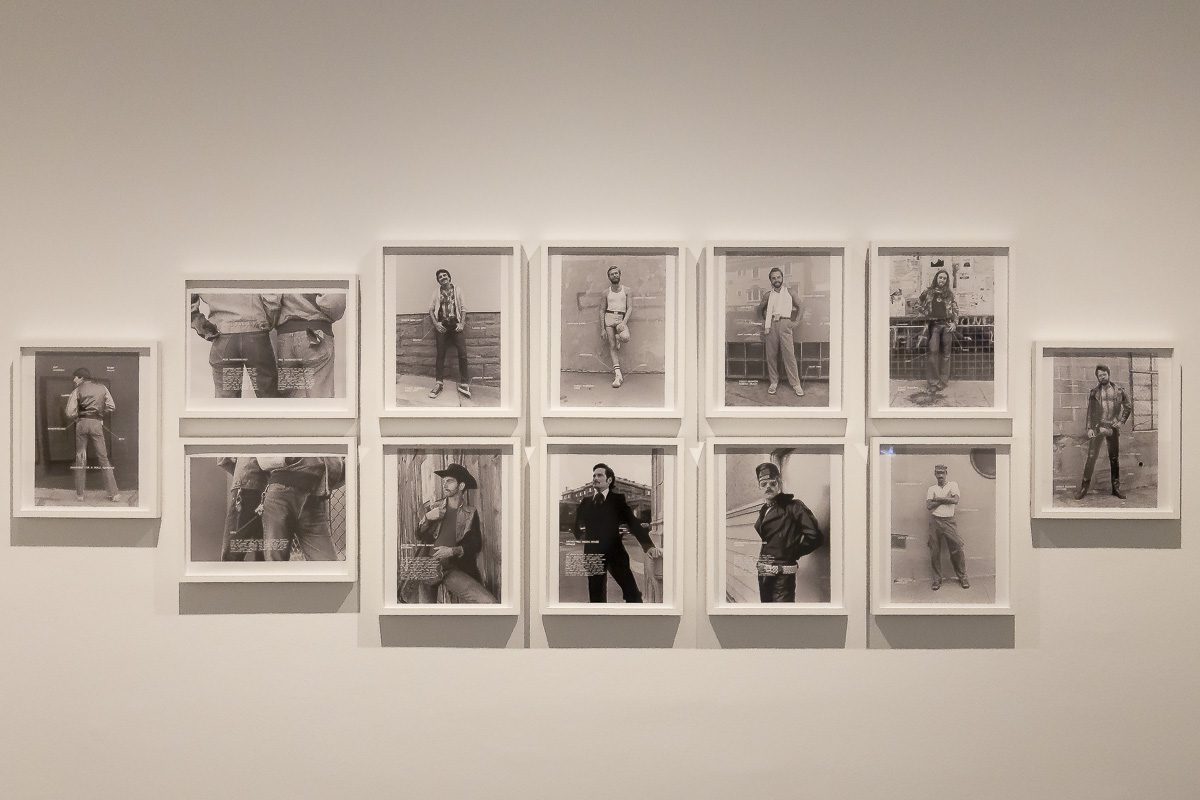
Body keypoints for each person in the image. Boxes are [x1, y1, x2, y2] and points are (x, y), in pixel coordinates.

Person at [406, 463, 497, 604]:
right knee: (426, 612)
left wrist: (452, 551)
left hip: (451, 568)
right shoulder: (434, 507)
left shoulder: (470, 513)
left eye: (449, 481)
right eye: (444, 481)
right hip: (427, 566)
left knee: (489, 602)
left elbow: (475, 543)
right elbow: (419, 535)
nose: (445, 484)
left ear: (461, 486)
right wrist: (428, 517)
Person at [571, 463, 662, 603]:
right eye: (594, 475)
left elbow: (632, 523)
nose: (595, 478)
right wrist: (584, 537)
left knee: (633, 595)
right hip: (593, 555)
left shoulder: (618, 500)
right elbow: (575, 525)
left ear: (609, 480)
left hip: (616, 554)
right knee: (596, 598)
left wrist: (648, 546)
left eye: (599, 475)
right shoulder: (586, 502)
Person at [751, 462, 823, 602]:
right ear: (759, 486)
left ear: (779, 483)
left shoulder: (793, 506)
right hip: (764, 574)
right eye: (763, 484)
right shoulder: (764, 510)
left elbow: (815, 536)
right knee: (765, 611)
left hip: (782, 577)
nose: (768, 487)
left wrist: (791, 552)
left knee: (781, 613)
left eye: (772, 483)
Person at [190, 293, 282, 398]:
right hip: (256, 335)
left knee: (226, 401)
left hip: (223, 336)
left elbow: (187, 300)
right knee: (268, 396)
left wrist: (203, 327)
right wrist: (266, 321)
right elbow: (272, 298)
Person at [255, 456, 344, 561]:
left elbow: (337, 469)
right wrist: (291, 457)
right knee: (276, 561)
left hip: (314, 501)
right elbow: (263, 461)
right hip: (281, 496)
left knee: (328, 562)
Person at [1074, 363, 1132, 500]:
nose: (1102, 377)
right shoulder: (1094, 392)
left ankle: (1116, 489)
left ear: (1108, 374)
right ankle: (1084, 489)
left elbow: (1128, 406)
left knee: (1114, 458)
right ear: (1097, 377)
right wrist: (1089, 428)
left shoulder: (1119, 391)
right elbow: (1090, 411)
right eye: (1100, 375)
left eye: (1104, 374)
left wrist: (1121, 421)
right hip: (1097, 427)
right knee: (1091, 457)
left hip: (1112, 427)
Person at [274, 293, 346, 398]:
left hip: (285, 338)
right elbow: (335, 303)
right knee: (320, 397)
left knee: (290, 398)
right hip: (315, 332)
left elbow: (271, 302)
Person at [65, 368, 121, 502]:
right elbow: (111, 406)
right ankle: (114, 493)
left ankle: (80, 494)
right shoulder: (102, 388)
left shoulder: (76, 391)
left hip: (81, 424)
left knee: (81, 458)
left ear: (81, 378)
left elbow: (69, 412)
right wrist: (99, 414)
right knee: (103, 458)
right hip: (96, 423)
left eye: (75, 377)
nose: (74, 380)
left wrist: (78, 417)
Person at [756, 266, 805, 397]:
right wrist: (763, 322)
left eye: (778, 277)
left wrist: (796, 322)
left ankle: (796, 384)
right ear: (770, 280)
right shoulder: (768, 295)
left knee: (789, 355)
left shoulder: (790, 292)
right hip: (771, 325)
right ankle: (773, 382)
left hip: (785, 323)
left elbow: (801, 306)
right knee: (771, 355)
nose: (776, 280)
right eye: (773, 278)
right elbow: (759, 309)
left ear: (782, 278)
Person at [427, 268, 472, 399]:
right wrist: (436, 324)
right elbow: (430, 309)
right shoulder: (436, 293)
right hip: (442, 326)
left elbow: (463, 308)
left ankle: (464, 384)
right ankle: (438, 384)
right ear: (438, 281)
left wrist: (461, 323)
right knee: (440, 354)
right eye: (440, 277)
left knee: (462, 354)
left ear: (449, 277)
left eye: (444, 275)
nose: (443, 277)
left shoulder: (457, 290)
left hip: (455, 325)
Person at [916, 263, 960, 393]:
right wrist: (926, 313)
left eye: (945, 278)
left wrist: (954, 323)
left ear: (947, 280)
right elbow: (917, 304)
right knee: (933, 352)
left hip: (947, 326)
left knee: (946, 355)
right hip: (934, 326)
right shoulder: (928, 292)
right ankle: (933, 382)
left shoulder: (949, 294)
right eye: (940, 277)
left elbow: (956, 310)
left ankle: (943, 381)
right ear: (936, 278)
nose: (942, 280)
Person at [216, 457, 268, 561]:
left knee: (232, 554)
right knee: (263, 553)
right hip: (271, 490)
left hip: (247, 485)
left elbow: (223, 459)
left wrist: (243, 471)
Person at [926, 464, 968, 590]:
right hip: (935, 521)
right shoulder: (931, 489)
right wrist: (946, 498)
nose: (940, 475)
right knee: (934, 551)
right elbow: (929, 506)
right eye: (938, 473)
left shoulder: (953, 485)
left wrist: (937, 499)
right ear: (935, 474)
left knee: (957, 548)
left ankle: (962, 577)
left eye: (942, 473)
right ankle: (937, 579)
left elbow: (955, 500)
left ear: (946, 473)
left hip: (949, 521)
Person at [599, 265, 633, 389]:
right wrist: (602, 328)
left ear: (619, 274)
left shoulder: (627, 290)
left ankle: (618, 338)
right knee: (612, 346)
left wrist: (624, 322)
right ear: (609, 277)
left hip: (620, 319)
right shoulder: (605, 292)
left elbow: (630, 307)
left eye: (616, 273)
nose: (614, 275)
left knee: (626, 337)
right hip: (609, 318)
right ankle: (618, 376)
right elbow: (602, 310)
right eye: (612, 274)